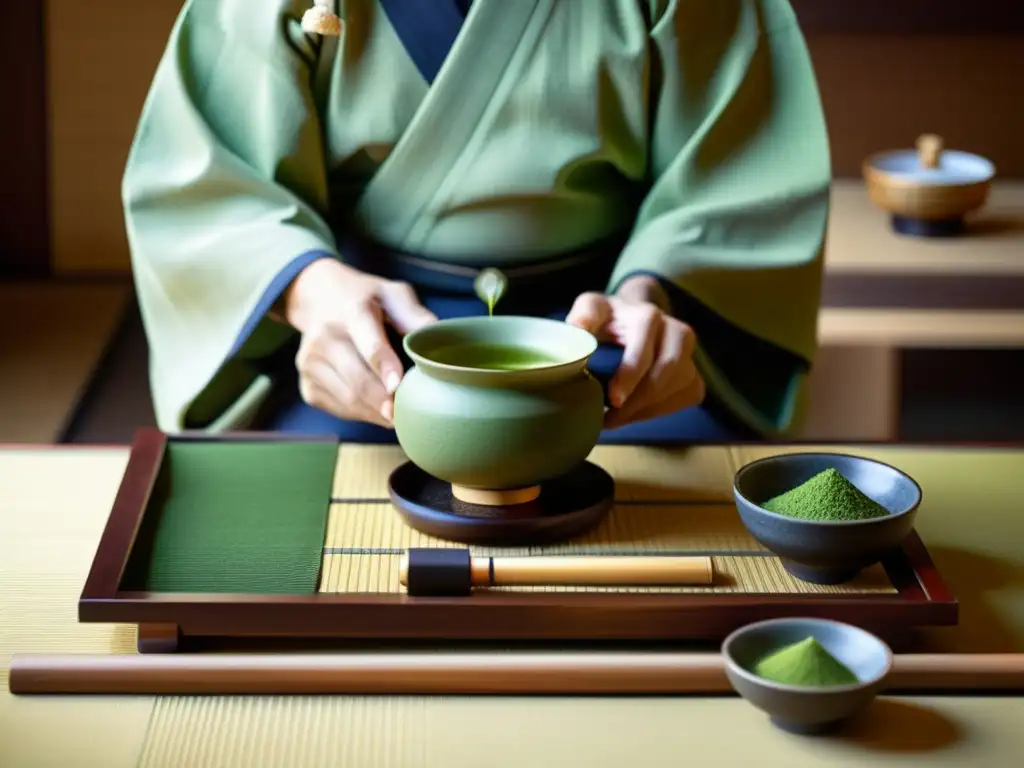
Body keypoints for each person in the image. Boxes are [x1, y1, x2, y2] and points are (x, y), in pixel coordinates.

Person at [123, 0, 831, 445]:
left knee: (671, 491)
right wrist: (312, 292)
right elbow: (207, 175)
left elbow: (738, 167)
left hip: (595, 337)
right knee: (288, 510)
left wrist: (651, 299)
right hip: (364, 339)